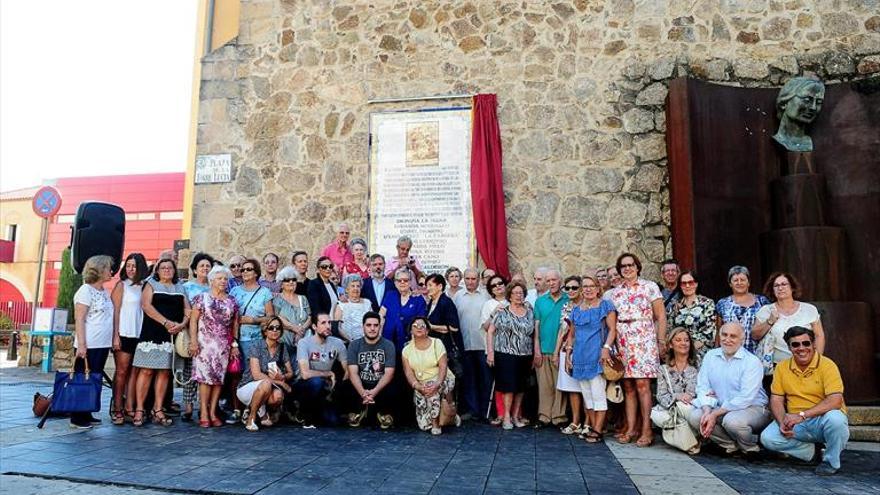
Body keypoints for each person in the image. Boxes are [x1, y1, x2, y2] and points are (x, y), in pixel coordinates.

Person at [760, 326, 849, 476]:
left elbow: (835, 401)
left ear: (813, 344)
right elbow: (776, 399)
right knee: (768, 438)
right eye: (795, 344)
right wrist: (782, 421)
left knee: (836, 420)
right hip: (796, 422)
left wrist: (802, 415)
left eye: (806, 343)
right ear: (789, 347)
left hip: (821, 419)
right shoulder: (782, 367)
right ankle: (813, 453)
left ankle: (831, 461)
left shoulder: (827, 365)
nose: (801, 348)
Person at [608, 253, 666, 447]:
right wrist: (612, 346)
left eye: (630, 265)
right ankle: (631, 427)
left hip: (644, 338)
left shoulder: (650, 287)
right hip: (623, 340)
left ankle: (647, 429)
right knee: (628, 386)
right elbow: (612, 321)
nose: (627, 268)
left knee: (643, 385)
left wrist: (661, 341)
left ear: (637, 267)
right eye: (623, 266)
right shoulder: (615, 292)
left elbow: (660, 316)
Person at [688, 322, 770, 458]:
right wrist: (708, 411)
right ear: (719, 336)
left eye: (733, 336)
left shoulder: (751, 362)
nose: (727, 339)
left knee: (732, 421)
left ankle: (750, 448)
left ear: (742, 340)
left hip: (753, 408)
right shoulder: (711, 356)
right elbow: (702, 386)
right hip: (722, 407)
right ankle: (730, 445)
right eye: (724, 335)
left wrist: (714, 415)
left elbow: (745, 397)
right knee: (697, 417)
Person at [133, 258, 190, 427]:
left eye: (170, 267)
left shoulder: (180, 287)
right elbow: (146, 306)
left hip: (171, 336)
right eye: (163, 267)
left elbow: (188, 309)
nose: (166, 270)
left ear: (174, 270)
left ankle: (158, 409)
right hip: (153, 333)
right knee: (146, 371)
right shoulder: (150, 284)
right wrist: (165, 322)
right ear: (157, 271)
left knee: (165, 372)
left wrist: (182, 324)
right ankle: (140, 409)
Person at [565, 275, 617, 442]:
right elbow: (571, 335)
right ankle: (594, 429)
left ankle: (597, 430)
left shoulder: (605, 306)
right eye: (585, 286)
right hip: (580, 356)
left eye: (591, 285)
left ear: (598, 288)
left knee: (597, 393)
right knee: (587, 395)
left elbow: (612, 330)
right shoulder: (576, 310)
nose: (588, 289)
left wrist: (606, 349)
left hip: (597, 355)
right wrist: (568, 355)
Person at [188, 265, 239, 427]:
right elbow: (193, 320)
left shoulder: (231, 300)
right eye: (219, 278)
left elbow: (235, 324)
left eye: (225, 279)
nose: (223, 281)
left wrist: (234, 343)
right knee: (205, 379)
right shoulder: (201, 298)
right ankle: (203, 411)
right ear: (211, 280)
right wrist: (193, 341)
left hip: (223, 345)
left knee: (218, 379)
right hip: (204, 344)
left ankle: (212, 412)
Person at [753, 272, 825, 386]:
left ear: (792, 287)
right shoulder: (766, 310)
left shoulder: (809, 309)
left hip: (806, 363)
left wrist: (817, 360)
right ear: (772, 290)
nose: (780, 288)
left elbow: (819, 335)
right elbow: (755, 335)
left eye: (784, 284)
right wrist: (770, 321)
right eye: (776, 286)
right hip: (777, 366)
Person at [70, 255, 116, 429]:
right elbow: (80, 319)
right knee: (82, 379)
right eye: (108, 268)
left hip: (102, 344)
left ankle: (87, 412)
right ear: (99, 270)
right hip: (89, 343)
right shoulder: (85, 291)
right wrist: (81, 344)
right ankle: (77, 416)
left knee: (94, 378)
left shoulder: (103, 291)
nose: (111, 271)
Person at [484, 280, 533, 429]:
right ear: (509, 295)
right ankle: (506, 416)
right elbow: (490, 331)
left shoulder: (529, 311)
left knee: (520, 387)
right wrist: (490, 353)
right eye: (515, 293)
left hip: (524, 354)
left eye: (521, 293)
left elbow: (533, 333)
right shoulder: (502, 311)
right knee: (508, 387)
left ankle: (515, 415)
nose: (518, 296)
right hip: (505, 354)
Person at [402, 317, 460, 435]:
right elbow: (408, 372)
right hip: (421, 383)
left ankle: (436, 423)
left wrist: (437, 383)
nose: (419, 328)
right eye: (415, 326)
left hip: (442, 378)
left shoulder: (437, 343)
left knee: (432, 389)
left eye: (422, 325)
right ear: (410, 331)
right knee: (423, 425)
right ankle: (451, 416)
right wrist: (417, 386)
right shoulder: (406, 350)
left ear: (427, 330)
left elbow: (443, 367)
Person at [110, 253, 148, 426]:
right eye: (129, 265)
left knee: (134, 373)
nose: (131, 269)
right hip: (124, 332)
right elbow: (115, 311)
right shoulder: (121, 286)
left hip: (140, 334)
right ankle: (117, 408)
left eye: (134, 266)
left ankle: (129, 406)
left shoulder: (145, 286)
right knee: (121, 372)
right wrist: (115, 335)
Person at [237, 316, 294, 431]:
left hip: (268, 387)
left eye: (278, 328)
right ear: (265, 331)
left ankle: (256, 409)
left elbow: (290, 373)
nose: (275, 331)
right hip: (248, 386)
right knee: (266, 383)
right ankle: (251, 418)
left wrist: (283, 376)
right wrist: (281, 383)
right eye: (271, 328)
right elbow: (256, 375)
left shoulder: (282, 348)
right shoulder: (257, 345)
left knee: (278, 397)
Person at [341, 312, 397, 428]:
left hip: (380, 384)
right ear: (363, 327)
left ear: (380, 327)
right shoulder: (354, 345)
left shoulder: (388, 345)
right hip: (361, 384)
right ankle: (359, 412)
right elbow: (353, 373)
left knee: (396, 386)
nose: (372, 328)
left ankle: (383, 413)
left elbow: (389, 374)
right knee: (345, 386)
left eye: (376, 325)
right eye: (369, 325)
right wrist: (363, 393)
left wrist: (374, 392)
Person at [294, 313, 349, 428]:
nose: (328, 326)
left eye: (329, 322)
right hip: (305, 385)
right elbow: (305, 374)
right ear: (314, 326)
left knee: (334, 421)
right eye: (323, 323)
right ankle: (304, 413)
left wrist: (339, 386)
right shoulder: (304, 343)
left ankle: (319, 411)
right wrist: (328, 373)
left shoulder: (337, 343)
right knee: (316, 382)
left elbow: (347, 370)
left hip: (326, 387)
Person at [650, 327, 699, 453]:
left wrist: (689, 397)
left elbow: (702, 390)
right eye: (678, 340)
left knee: (686, 407)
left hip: (692, 407)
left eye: (686, 340)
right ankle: (691, 441)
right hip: (672, 408)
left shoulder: (698, 365)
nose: (683, 343)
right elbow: (661, 395)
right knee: (656, 415)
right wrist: (677, 397)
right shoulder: (663, 369)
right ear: (671, 344)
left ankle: (689, 440)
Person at [179, 252, 215, 421]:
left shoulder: (214, 288)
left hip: (210, 336)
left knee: (206, 372)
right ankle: (188, 406)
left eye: (208, 266)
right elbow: (184, 310)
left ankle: (204, 406)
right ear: (194, 269)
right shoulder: (186, 287)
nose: (205, 269)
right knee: (189, 369)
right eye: (202, 266)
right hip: (192, 331)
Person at [533, 269, 569, 427]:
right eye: (548, 281)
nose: (551, 283)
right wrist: (536, 350)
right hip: (543, 348)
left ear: (560, 281)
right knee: (544, 386)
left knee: (560, 385)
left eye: (554, 280)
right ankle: (544, 416)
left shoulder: (568, 300)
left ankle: (559, 417)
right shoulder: (540, 301)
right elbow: (536, 328)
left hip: (561, 349)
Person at [454, 268, 491, 421]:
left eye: (473, 279)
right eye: (467, 279)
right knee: (468, 379)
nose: (470, 282)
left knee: (485, 378)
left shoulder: (486, 296)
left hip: (482, 345)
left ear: (479, 279)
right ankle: (472, 410)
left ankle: (485, 411)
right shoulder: (457, 296)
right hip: (465, 345)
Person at [554, 276, 587, 435]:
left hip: (584, 350)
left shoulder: (587, 305)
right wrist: (556, 352)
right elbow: (562, 331)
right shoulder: (566, 306)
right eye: (567, 288)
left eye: (574, 287)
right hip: (567, 350)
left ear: (581, 288)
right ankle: (575, 422)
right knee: (572, 388)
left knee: (586, 388)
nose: (571, 291)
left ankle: (588, 423)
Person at [715, 266, 769, 354]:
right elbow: (718, 331)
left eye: (742, 280)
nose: (739, 283)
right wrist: (716, 352)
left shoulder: (762, 301)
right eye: (735, 280)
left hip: (757, 354)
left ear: (748, 282)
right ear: (730, 284)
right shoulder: (722, 304)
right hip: (729, 354)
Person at [666, 270, 717, 365]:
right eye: (683, 283)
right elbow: (670, 331)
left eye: (690, 282)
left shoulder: (707, 303)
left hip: (700, 353)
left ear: (696, 284)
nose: (687, 286)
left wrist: (689, 350)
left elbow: (709, 334)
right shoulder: (675, 306)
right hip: (678, 352)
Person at [230, 258, 274, 359]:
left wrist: (253, 320)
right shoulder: (234, 291)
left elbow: (271, 318)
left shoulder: (265, 292)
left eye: (248, 269)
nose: (245, 271)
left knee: (253, 370)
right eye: (243, 270)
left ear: (256, 273)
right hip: (234, 339)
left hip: (256, 339)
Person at [424, 274, 463, 388]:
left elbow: (454, 327)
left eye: (430, 285)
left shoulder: (446, 302)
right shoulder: (431, 302)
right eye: (427, 285)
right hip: (436, 348)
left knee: (448, 382)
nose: (428, 288)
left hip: (447, 348)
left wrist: (432, 326)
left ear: (440, 286)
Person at [481, 274, 509, 424]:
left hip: (512, 348)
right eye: (494, 285)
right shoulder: (488, 304)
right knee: (498, 382)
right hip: (494, 347)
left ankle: (511, 414)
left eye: (500, 283)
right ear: (491, 290)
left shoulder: (512, 301)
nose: (498, 286)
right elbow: (485, 327)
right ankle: (500, 413)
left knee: (511, 382)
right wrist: (494, 313)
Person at [772, 76, 825, 153]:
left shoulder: (811, 143)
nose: (813, 107)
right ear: (784, 103)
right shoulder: (779, 141)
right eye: (806, 100)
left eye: (818, 102)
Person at [379, 268, 427, 353]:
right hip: (387, 341)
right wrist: (378, 337)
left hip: (409, 344)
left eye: (405, 280)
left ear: (410, 282)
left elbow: (421, 322)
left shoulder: (418, 299)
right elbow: (381, 316)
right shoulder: (390, 295)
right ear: (395, 282)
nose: (402, 282)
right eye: (399, 280)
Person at [272, 265, 311, 364]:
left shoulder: (303, 298)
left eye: (293, 279)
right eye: (287, 280)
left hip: (303, 340)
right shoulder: (277, 299)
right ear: (281, 284)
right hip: (283, 341)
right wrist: (294, 328)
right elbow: (276, 317)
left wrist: (301, 331)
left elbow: (310, 317)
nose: (291, 282)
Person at [335, 274, 373, 343]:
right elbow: (337, 326)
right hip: (347, 342)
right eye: (352, 286)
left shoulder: (367, 303)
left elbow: (372, 321)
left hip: (366, 342)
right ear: (346, 289)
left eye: (358, 286)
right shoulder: (341, 304)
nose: (356, 288)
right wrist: (350, 340)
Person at [306, 256, 339, 320]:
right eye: (324, 267)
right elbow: (315, 308)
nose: (328, 269)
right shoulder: (313, 284)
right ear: (318, 269)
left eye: (330, 266)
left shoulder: (332, 285)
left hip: (334, 322)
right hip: (323, 324)